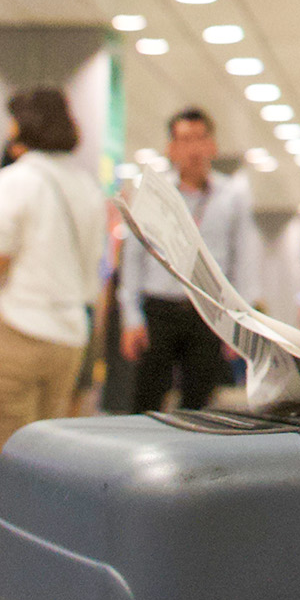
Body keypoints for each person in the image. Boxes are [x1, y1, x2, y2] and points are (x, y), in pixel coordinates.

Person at [0, 87, 105, 478]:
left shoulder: (17, 180)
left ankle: (10, 540)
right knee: (49, 466)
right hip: (69, 337)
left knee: (10, 463)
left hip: (15, 331)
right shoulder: (87, 187)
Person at [117, 107, 256, 414]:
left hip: (206, 312)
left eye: (200, 138)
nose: (193, 148)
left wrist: (238, 326)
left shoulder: (232, 196)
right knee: (146, 401)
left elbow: (242, 262)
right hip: (159, 309)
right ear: (171, 148)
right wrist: (131, 317)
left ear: (213, 145)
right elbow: (134, 258)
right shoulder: (153, 193)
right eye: (184, 139)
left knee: (199, 404)